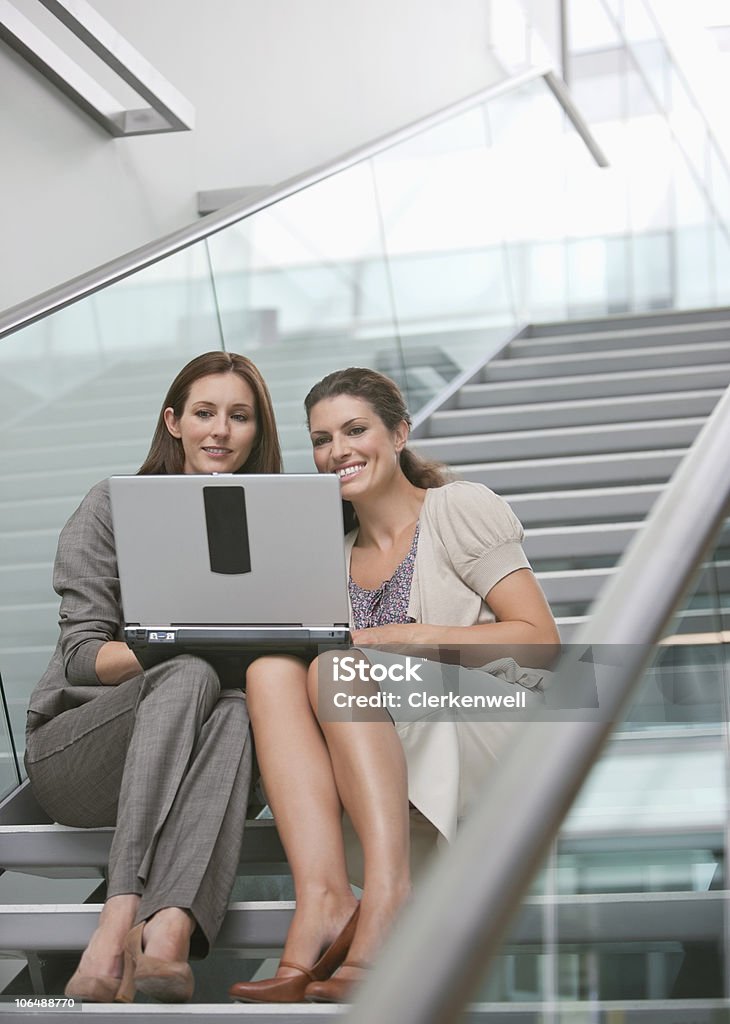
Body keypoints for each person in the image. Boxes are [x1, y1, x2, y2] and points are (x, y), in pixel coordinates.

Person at [229, 366, 560, 1005]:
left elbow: (539, 641)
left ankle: (386, 897)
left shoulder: (457, 509)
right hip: (384, 765)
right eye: (322, 440)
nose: (337, 452)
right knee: (269, 672)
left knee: (334, 666)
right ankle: (323, 898)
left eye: (355, 430)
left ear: (400, 432)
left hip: (483, 724)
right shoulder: (329, 554)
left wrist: (407, 636)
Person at [24, 351, 282, 1004]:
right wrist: (181, 638)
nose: (220, 430)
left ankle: (165, 941)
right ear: (173, 421)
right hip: (83, 751)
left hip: (214, 743)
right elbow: (83, 658)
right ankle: (118, 918)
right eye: (204, 413)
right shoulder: (112, 505)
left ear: (258, 432)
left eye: (239, 416)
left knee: (239, 705)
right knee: (190, 667)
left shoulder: (279, 526)